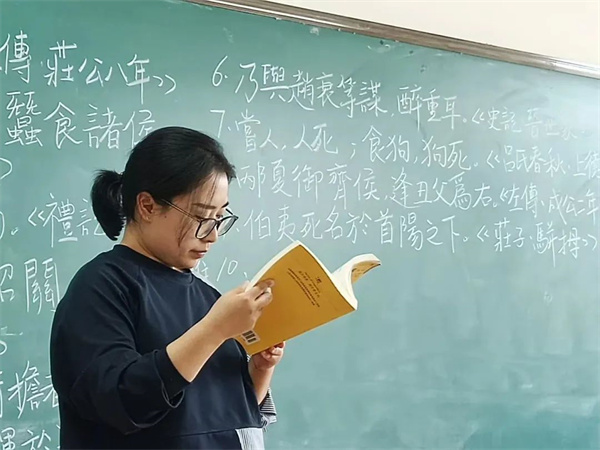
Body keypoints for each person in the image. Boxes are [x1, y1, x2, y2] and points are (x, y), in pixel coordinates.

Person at [50, 126, 285, 449]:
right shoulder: (101, 287)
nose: (213, 235)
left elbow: (228, 418)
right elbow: (122, 402)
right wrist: (215, 329)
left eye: (220, 217)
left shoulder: (208, 298)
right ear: (147, 206)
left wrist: (259, 369)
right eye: (202, 217)